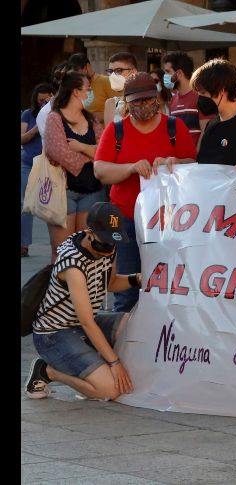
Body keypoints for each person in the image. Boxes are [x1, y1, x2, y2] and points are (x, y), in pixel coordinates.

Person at [94, 72, 197, 312]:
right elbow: (100, 170)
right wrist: (130, 168)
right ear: (127, 103)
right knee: (128, 290)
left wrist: (175, 162)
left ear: (157, 98)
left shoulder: (174, 127)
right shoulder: (116, 130)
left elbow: (193, 164)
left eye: (148, 99)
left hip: (169, 221)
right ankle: (123, 345)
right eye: (137, 101)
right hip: (126, 220)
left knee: (168, 286)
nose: (143, 106)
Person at [25, 202, 142, 401]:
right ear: (89, 232)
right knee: (110, 390)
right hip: (54, 334)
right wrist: (114, 363)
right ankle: (48, 371)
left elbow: (111, 283)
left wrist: (137, 278)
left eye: (112, 242)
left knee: (133, 323)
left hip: (79, 325)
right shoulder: (73, 263)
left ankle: (94, 368)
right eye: (103, 241)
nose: (107, 248)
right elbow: (87, 321)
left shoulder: (108, 246)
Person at [44, 71, 106, 263]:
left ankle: (81, 291)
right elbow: (61, 154)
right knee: (62, 250)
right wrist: (90, 153)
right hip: (64, 191)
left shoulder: (91, 119)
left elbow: (104, 151)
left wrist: (80, 147)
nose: (90, 93)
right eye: (88, 89)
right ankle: (59, 291)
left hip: (93, 190)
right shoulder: (55, 118)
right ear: (75, 92)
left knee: (86, 251)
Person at [21, 82, 55, 257]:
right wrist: (36, 129)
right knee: (25, 204)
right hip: (28, 163)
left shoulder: (56, 113)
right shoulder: (28, 114)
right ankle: (23, 244)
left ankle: (57, 245)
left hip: (48, 164)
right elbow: (22, 138)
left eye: (46, 99)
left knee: (52, 204)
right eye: (40, 100)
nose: (43, 103)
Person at [162, 51, 213, 147]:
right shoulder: (173, 100)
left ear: (180, 73)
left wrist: (196, 156)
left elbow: (205, 132)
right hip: (179, 160)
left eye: (168, 72)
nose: (164, 76)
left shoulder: (201, 97)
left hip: (195, 160)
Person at [68, 52, 119, 124]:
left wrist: (92, 116)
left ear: (87, 67)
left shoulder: (106, 81)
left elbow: (120, 109)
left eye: (79, 73)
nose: (77, 78)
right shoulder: (77, 86)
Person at [103, 52, 139, 125]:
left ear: (133, 72)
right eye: (110, 71)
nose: (113, 75)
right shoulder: (111, 104)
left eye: (118, 71)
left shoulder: (146, 102)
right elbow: (109, 134)